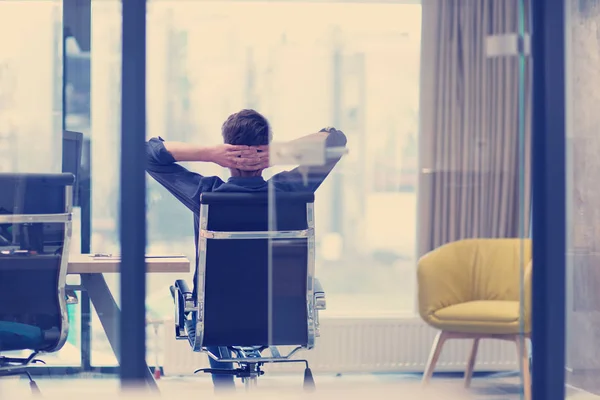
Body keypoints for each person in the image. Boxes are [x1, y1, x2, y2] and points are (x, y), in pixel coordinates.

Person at [146, 109, 346, 392]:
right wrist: (278, 154)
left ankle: (224, 390)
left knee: (205, 307)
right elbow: (336, 139)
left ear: (227, 148)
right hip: (282, 320)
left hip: (215, 324)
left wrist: (210, 153)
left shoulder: (206, 194)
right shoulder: (290, 190)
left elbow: (148, 153)